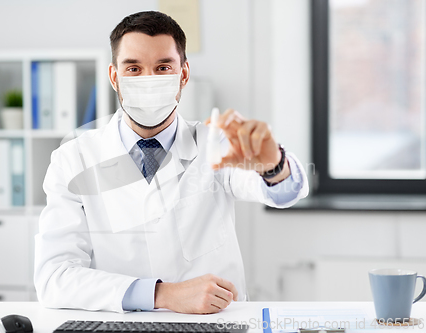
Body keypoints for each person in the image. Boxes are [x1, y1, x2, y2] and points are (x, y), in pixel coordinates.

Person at [34, 11, 308, 314]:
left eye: (163, 67)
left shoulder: (215, 143)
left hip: (214, 322)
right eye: (133, 68)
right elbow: (54, 278)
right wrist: (161, 295)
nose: (148, 80)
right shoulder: (73, 160)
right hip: (123, 323)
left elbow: (282, 192)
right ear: (114, 77)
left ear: (184, 73)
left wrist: (273, 164)